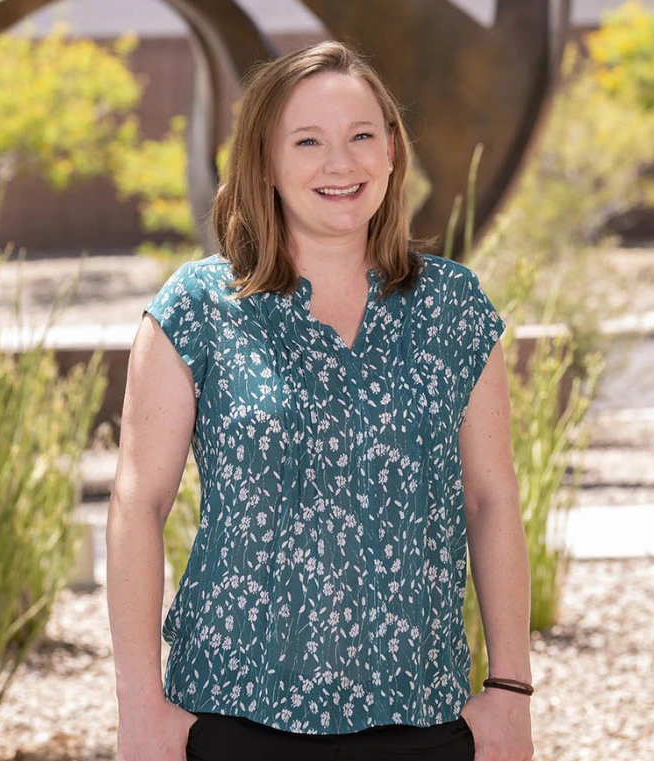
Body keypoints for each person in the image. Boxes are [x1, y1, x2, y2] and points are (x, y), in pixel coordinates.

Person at [107, 40, 534, 761]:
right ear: (265, 162)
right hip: (230, 715)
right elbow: (136, 503)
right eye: (308, 141)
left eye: (362, 136)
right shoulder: (200, 308)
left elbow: (492, 498)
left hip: (420, 716)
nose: (342, 164)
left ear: (393, 152)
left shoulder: (453, 308)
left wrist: (511, 693)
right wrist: (141, 707)